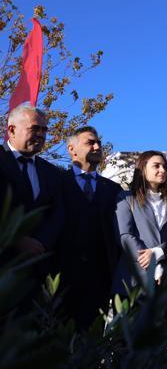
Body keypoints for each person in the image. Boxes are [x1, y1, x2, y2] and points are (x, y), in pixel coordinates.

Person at [56, 126, 123, 328]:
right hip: (61, 278)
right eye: (90, 142)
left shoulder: (113, 189)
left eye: (98, 143)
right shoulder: (56, 182)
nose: (96, 147)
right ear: (71, 149)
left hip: (101, 280)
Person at [113, 151, 167, 296]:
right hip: (132, 283)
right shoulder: (127, 198)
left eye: (164, 167)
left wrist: (158, 253)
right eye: (156, 166)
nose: (162, 170)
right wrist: (151, 263)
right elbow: (125, 235)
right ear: (143, 169)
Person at [0, 104, 63, 278]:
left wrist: (41, 242)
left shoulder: (52, 173)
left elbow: (58, 213)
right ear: (11, 130)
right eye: (35, 128)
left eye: (44, 129)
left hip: (39, 270)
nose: (41, 134)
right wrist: (16, 240)